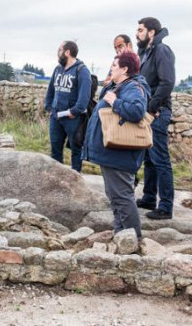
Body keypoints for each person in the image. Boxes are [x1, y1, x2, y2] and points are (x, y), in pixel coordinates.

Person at [83, 51, 150, 238]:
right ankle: (121, 235)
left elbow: (137, 111)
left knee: (122, 197)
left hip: (119, 154)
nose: (111, 69)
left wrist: (115, 102)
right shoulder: (121, 86)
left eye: (114, 66)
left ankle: (133, 240)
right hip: (113, 153)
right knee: (116, 198)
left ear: (125, 69)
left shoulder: (133, 88)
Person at [135, 17, 176, 220]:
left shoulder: (161, 50)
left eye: (140, 30)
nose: (137, 33)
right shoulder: (144, 52)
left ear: (151, 32)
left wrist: (151, 108)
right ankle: (149, 198)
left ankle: (166, 206)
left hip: (158, 112)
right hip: (147, 110)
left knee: (160, 160)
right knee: (149, 159)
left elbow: (167, 82)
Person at [44, 40, 91, 172]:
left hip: (73, 119)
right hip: (56, 117)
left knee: (76, 152)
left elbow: (84, 98)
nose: (57, 54)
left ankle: (76, 182)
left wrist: (74, 112)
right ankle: (57, 180)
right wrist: (49, 107)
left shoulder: (82, 71)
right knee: (55, 151)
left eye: (59, 50)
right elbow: (50, 91)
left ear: (67, 52)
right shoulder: (57, 69)